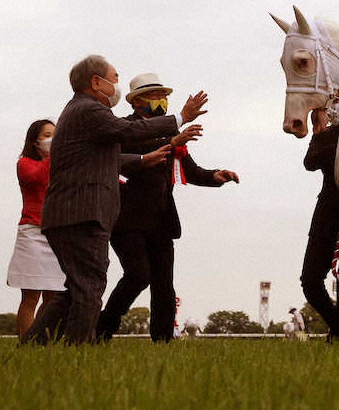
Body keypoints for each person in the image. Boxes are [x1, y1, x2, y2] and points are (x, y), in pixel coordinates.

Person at [22, 55, 207, 345]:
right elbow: (130, 131)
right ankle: (77, 352)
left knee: (76, 290)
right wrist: (180, 118)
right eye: (114, 78)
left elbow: (110, 158)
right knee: (89, 289)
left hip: (73, 215)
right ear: (96, 82)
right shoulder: (89, 110)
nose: (116, 85)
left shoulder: (83, 112)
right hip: (81, 215)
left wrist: (145, 160)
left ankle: (31, 348)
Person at [96, 72, 238, 343]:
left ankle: (162, 341)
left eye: (164, 96)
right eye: (155, 96)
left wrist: (216, 176)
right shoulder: (125, 128)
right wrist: (171, 141)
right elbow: (134, 152)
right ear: (137, 102)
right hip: (126, 220)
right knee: (138, 275)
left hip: (161, 220)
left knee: (164, 285)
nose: (162, 100)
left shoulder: (170, 133)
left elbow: (190, 171)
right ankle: (102, 329)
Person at [300, 97, 339, 341]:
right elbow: (310, 162)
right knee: (310, 280)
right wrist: (321, 131)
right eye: (336, 99)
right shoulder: (329, 134)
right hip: (327, 214)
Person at [6, 119, 65, 337]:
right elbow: (36, 176)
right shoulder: (24, 164)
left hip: (56, 232)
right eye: (48, 135)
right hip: (32, 232)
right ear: (35, 141)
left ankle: (41, 339)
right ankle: (26, 341)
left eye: (56, 134)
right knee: (30, 297)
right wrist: (53, 156)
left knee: (53, 297)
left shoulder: (61, 164)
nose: (53, 139)